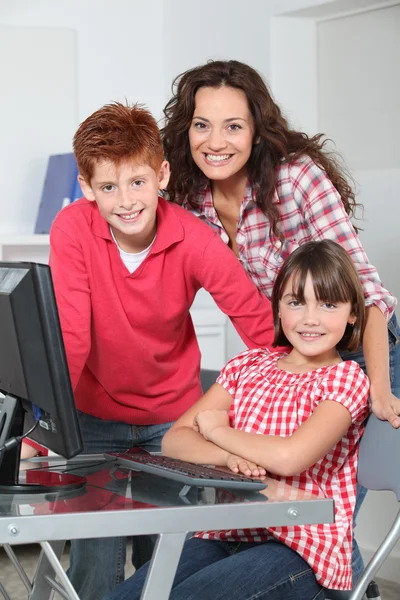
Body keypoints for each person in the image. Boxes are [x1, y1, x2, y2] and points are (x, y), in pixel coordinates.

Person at [161, 59, 400, 584]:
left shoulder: (295, 179)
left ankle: (337, 586)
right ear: (186, 129)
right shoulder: (189, 195)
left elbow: (371, 295)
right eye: (202, 124)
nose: (215, 140)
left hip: (362, 345)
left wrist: (378, 386)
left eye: (233, 126)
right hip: (290, 349)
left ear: (257, 130)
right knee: (271, 501)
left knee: (321, 510)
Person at [47, 101, 277, 600]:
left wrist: (305, 378)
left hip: (171, 423)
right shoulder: (72, 230)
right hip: (93, 417)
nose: (126, 200)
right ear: (87, 189)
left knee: (166, 558)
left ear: (163, 175)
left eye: (137, 182)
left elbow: (253, 315)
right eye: (108, 187)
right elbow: (72, 335)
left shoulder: (194, 240)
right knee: (94, 562)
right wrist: (46, 418)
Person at [104, 239, 370, 600]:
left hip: (301, 546)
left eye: (328, 304)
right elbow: (175, 439)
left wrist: (217, 431)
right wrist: (226, 458)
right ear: (278, 308)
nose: (310, 319)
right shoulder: (248, 365)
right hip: (226, 531)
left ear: (353, 313)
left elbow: (290, 457)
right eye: (296, 302)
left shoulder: (346, 379)